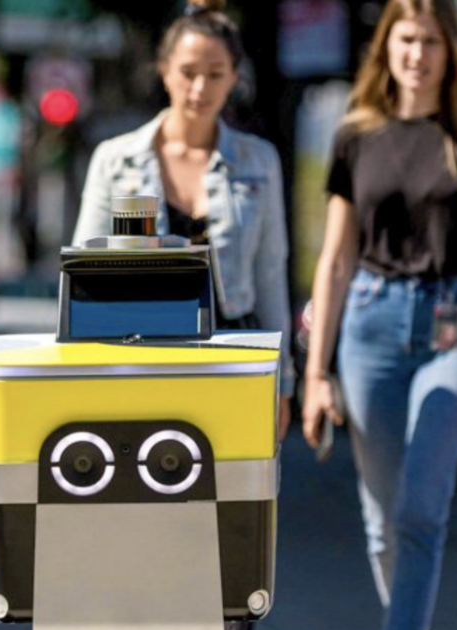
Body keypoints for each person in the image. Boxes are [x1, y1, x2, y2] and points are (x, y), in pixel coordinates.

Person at [301, 0, 457, 630]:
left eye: (430, 41)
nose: (418, 54)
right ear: (385, 49)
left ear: (449, 52)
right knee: (381, 523)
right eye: (405, 40)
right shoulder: (356, 136)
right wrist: (315, 371)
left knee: (421, 509)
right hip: (367, 324)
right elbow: (332, 261)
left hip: (453, 331)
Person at [73, 0, 295, 438]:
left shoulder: (258, 160)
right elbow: (84, 271)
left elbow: (270, 272)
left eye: (215, 74)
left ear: (234, 77)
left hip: (235, 351)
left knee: (232, 493)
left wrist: (282, 381)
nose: (200, 88)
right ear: (164, 69)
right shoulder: (116, 160)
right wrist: (82, 369)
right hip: (137, 352)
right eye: (189, 72)